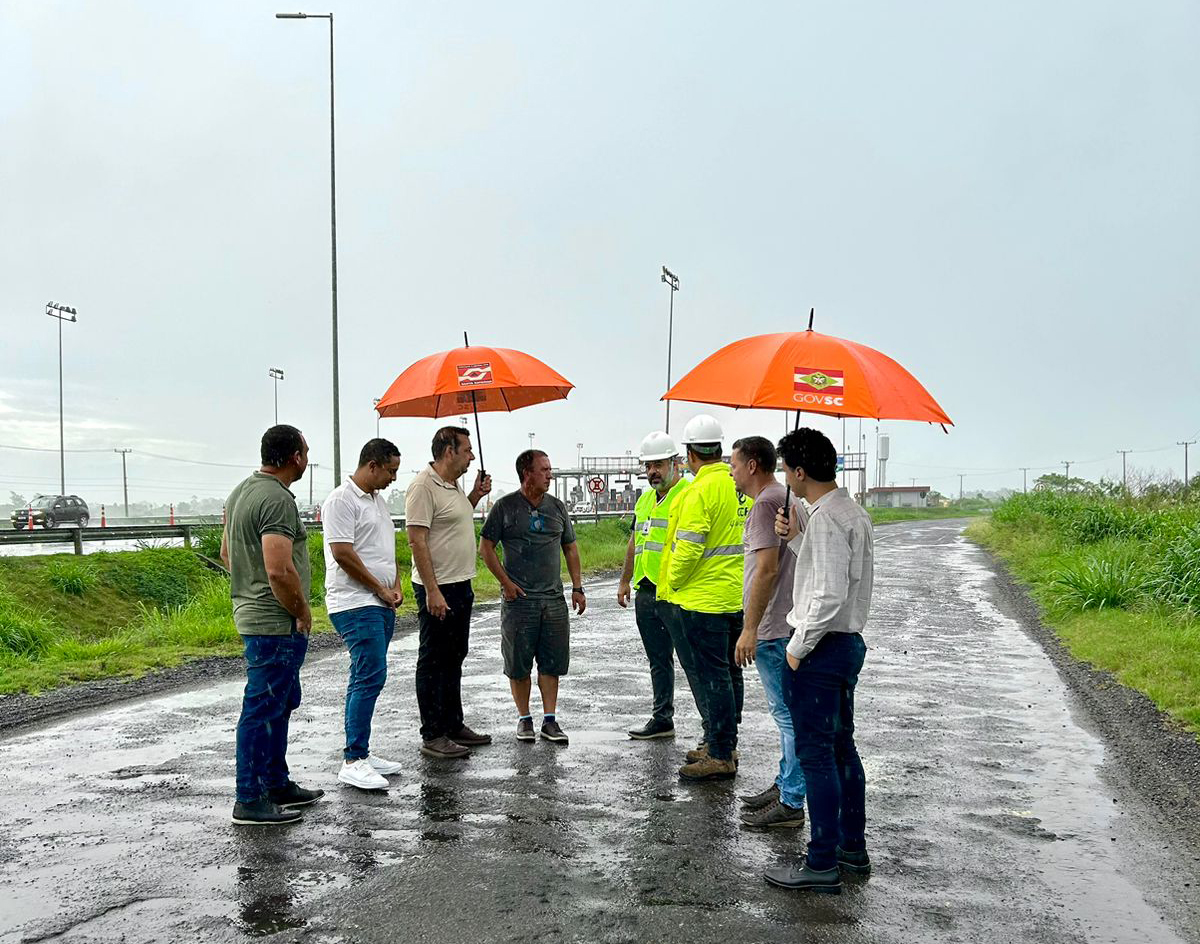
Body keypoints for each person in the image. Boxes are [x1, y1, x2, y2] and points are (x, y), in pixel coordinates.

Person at [764, 427, 874, 894]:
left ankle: (822, 861)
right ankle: (852, 848)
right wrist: (793, 540)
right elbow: (828, 574)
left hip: (821, 649)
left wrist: (795, 648)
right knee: (841, 748)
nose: (784, 476)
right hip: (844, 645)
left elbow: (826, 596)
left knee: (817, 757)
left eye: (786, 469)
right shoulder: (847, 512)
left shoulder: (827, 519)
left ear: (801, 472)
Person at [222, 425, 322, 826]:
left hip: (254, 613)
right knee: (262, 707)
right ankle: (249, 798)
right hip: (274, 621)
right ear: (295, 457)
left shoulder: (241, 491)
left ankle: (276, 783)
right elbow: (279, 569)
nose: (307, 458)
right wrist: (301, 610)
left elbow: (228, 554)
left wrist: (249, 588)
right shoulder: (277, 500)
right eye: (306, 451)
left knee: (279, 703)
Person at [658, 414, 750, 781]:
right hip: (735, 595)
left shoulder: (699, 491)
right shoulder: (737, 485)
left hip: (703, 600)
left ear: (690, 453)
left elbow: (690, 546)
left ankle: (721, 752)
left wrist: (674, 581)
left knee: (713, 677)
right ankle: (722, 741)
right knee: (730, 673)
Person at [480, 450, 585, 744]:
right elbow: (485, 548)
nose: (550, 474)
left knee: (552, 663)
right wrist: (505, 582)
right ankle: (524, 718)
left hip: (553, 600)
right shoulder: (504, 507)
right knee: (518, 663)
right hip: (519, 602)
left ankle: (549, 720)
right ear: (527, 473)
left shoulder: (557, 508)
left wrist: (577, 587)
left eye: (550, 469)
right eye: (544, 469)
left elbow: (571, 549)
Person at [730, 435, 807, 828]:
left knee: (787, 715)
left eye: (735, 463)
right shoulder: (784, 497)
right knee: (787, 714)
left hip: (774, 626)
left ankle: (792, 801)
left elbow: (767, 569)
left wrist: (750, 628)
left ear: (753, 465)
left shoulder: (765, 503)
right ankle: (785, 783)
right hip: (785, 621)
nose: (731, 469)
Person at [322, 438, 405, 791]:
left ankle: (362, 752)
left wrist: (396, 582)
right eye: (391, 470)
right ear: (372, 465)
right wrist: (379, 588)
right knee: (370, 675)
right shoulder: (341, 501)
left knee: (366, 675)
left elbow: (385, 549)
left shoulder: (378, 501)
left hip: (380, 601)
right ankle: (353, 760)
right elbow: (342, 553)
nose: (393, 478)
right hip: (355, 602)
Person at [406, 426, 493, 759]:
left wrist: (474, 496)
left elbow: (455, 520)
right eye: (466, 449)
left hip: (461, 583)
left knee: (455, 655)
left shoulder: (452, 484)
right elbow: (417, 540)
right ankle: (433, 733)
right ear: (448, 451)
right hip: (438, 587)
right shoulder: (422, 487)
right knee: (433, 659)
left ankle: (453, 724)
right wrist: (432, 590)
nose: (472, 455)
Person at [617, 431, 689, 740]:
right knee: (658, 660)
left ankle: (712, 731)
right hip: (646, 589)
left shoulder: (688, 494)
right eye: (648, 466)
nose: (652, 472)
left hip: (677, 592)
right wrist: (624, 580)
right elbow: (636, 541)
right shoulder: (646, 499)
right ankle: (662, 718)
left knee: (694, 662)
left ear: (676, 463)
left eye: (658, 464)